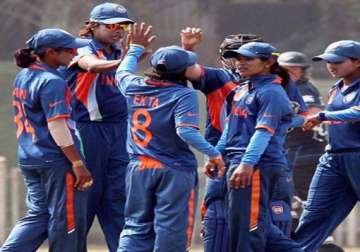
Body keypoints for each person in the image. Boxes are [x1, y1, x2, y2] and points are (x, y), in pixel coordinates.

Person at [115, 23, 225, 252]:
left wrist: (135, 48)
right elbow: (185, 131)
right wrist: (214, 153)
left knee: (136, 225)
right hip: (173, 169)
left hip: (139, 166)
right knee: (171, 228)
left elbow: (121, 71)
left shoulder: (133, 86)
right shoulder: (183, 95)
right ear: (182, 72)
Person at [1, 28, 92, 252]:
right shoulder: (52, 81)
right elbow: (57, 126)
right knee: (66, 221)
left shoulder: (23, 75)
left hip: (30, 157)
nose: (74, 53)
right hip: (56, 159)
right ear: (50, 52)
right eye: (69, 50)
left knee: (38, 215)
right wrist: (78, 163)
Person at [215, 41, 303, 251]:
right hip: (238, 161)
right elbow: (230, 126)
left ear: (268, 62)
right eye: (238, 58)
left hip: (256, 165)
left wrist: (247, 164)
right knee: (246, 224)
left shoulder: (272, 92)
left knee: (249, 229)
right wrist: (216, 154)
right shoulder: (243, 88)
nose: (240, 63)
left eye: (248, 59)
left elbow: (263, 131)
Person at [181, 28, 263, 252]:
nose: (240, 60)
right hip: (223, 157)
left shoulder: (273, 83)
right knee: (217, 214)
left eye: (247, 55)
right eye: (233, 55)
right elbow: (187, 70)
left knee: (262, 219)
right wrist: (188, 49)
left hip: (262, 158)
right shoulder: (219, 77)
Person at [62, 3, 134, 251]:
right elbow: (91, 65)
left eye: (123, 25)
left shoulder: (116, 51)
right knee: (86, 196)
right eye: (112, 25)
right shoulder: (80, 46)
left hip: (118, 130)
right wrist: (128, 59)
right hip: (87, 130)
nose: (119, 30)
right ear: (93, 26)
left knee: (118, 198)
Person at [295, 40, 360, 252]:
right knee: (313, 216)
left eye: (337, 61)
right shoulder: (336, 88)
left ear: (357, 61)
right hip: (333, 159)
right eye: (327, 62)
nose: (331, 66)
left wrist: (323, 116)